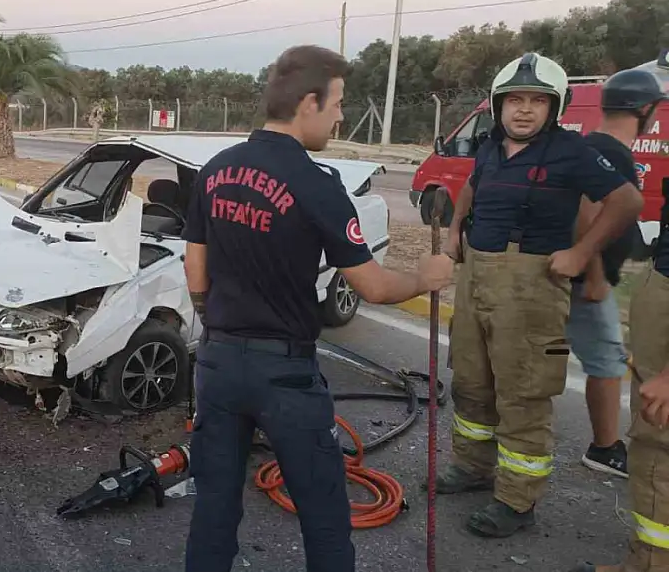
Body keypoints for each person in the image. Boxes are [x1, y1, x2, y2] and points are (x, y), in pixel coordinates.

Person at [180, 44, 455, 572]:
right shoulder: (317, 183)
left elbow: (197, 262)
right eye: (337, 103)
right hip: (284, 375)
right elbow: (371, 287)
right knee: (325, 515)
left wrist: (211, 317)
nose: (341, 115)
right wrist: (425, 275)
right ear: (309, 102)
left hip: (216, 363)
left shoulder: (215, 169)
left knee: (214, 507)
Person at [438, 53, 645, 538]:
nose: (524, 110)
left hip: (531, 288)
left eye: (537, 101)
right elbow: (471, 182)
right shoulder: (490, 147)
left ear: (555, 108)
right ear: (497, 105)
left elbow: (626, 201)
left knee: (524, 396)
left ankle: (516, 499)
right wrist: (453, 231)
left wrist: (580, 253)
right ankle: (472, 468)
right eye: (515, 100)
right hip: (476, 280)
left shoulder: (570, 152)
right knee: (471, 382)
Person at [569, 71, 667, 572]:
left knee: (595, 360)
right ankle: (605, 448)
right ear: (647, 112)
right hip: (590, 282)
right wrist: (593, 273)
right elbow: (588, 212)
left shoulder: (590, 144)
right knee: (607, 361)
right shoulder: (613, 152)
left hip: (589, 278)